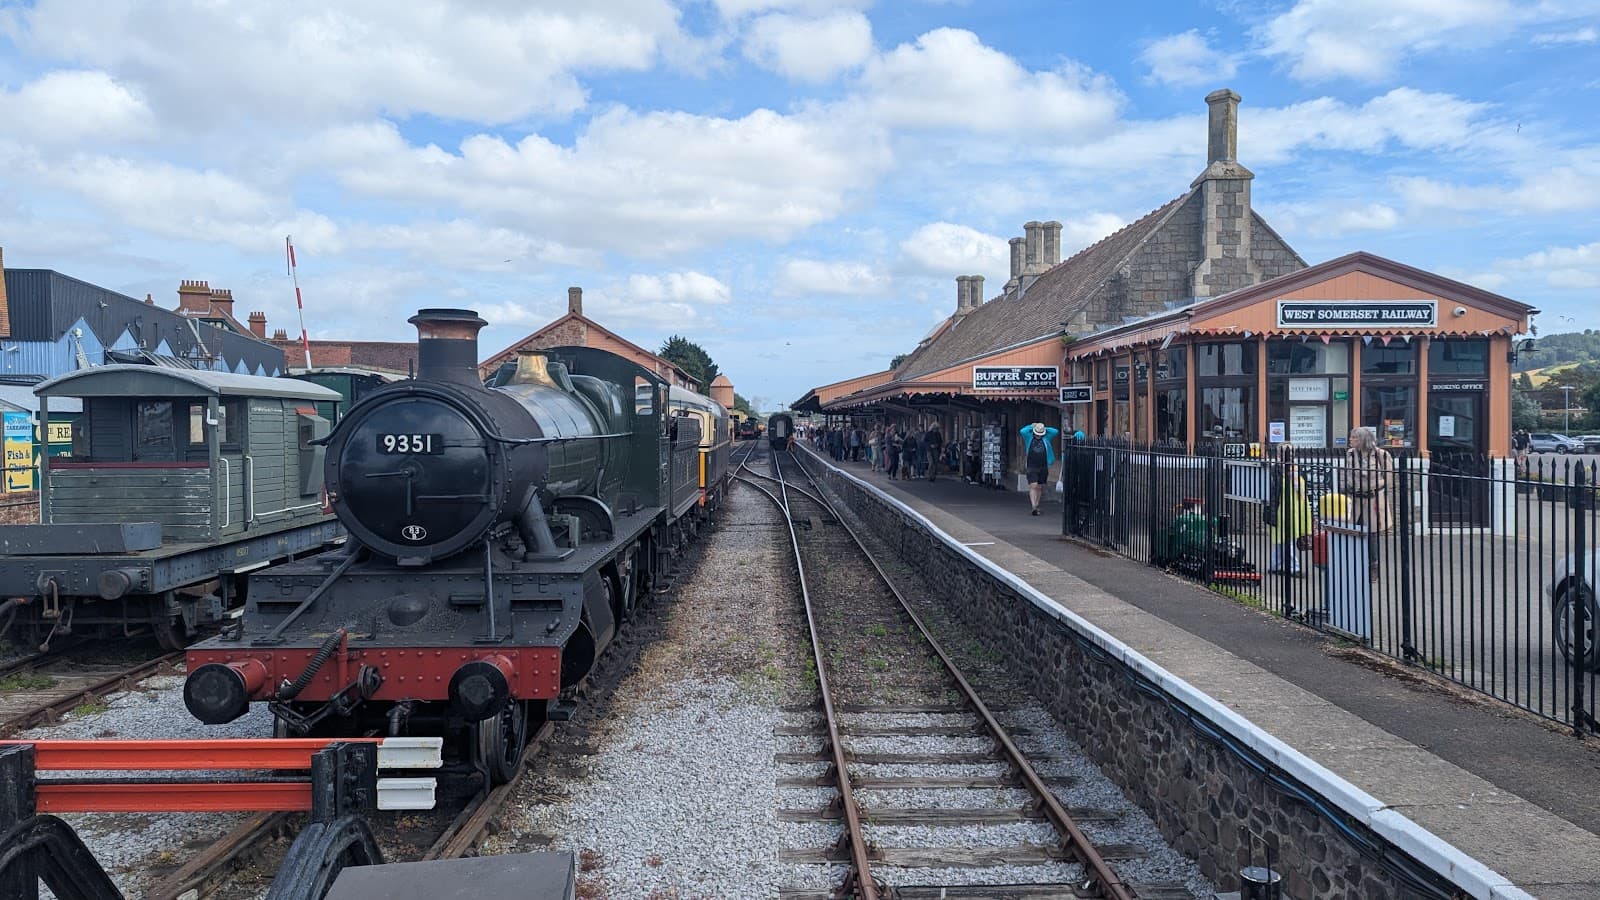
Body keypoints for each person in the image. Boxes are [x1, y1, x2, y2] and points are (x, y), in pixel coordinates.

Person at [1345, 426, 1394, 582]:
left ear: (1363, 440)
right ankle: (1355, 565)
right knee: (1354, 532)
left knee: (1372, 535)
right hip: (1356, 499)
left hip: (1373, 499)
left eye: (1354, 438)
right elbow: (1346, 473)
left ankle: (1373, 567)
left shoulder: (1381, 455)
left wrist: (1373, 484)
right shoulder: (1350, 454)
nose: (1350, 440)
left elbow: (1388, 478)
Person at [1265, 443, 1312, 575]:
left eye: (1291, 452)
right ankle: (1293, 567)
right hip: (1282, 507)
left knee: (1285, 538)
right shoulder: (1276, 469)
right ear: (1279, 454)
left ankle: (1276, 565)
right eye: (1286, 452)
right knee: (1286, 537)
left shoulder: (1297, 468)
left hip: (1297, 506)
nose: (1290, 455)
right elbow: (1273, 490)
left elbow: (1304, 487)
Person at [1019, 422, 1060, 515]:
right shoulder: (1029, 438)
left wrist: (1043, 427)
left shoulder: (1046, 438)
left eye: (1040, 433)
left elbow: (1055, 431)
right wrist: (1032, 426)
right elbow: (1022, 431)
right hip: (1031, 466)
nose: (1038, 435)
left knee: (1039, 486)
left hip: (1043, 466)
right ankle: (1033, 506)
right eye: (1037, 433)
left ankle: (1036, 504)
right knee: (1033, 485)